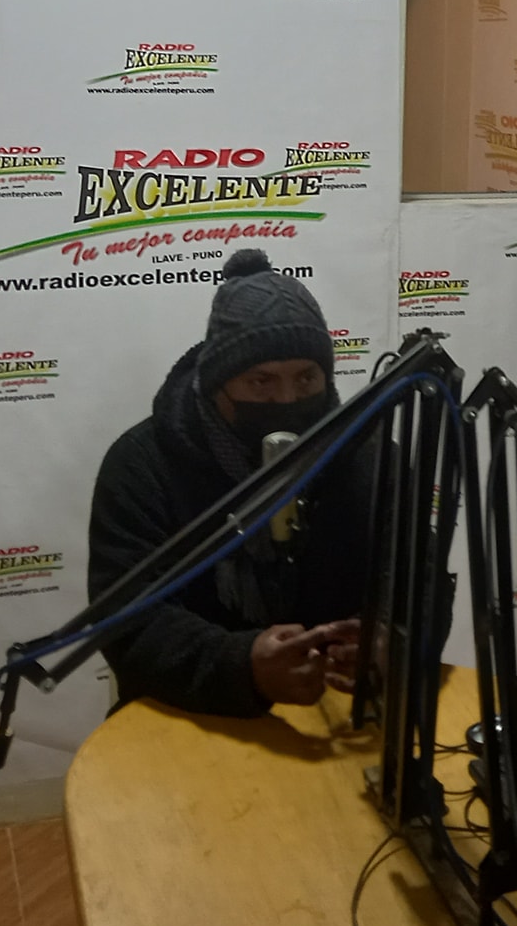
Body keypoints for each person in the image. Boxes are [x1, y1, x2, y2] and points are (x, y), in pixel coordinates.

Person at [87, 249, 367, 716]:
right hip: (189, 715)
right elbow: (127, 623)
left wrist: (389, 641)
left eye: (306, 378)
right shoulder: (142, 464)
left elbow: (420, 584)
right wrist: (241, 666)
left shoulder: (363, 452)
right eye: (261, 382)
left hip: (340, 714)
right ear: (217, 383)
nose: (287, 399)